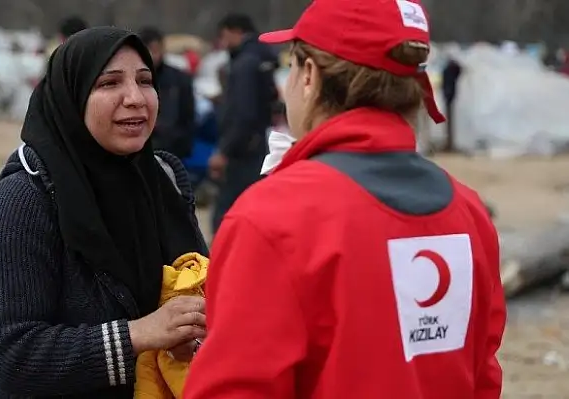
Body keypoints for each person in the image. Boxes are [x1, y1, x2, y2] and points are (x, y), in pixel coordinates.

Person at [184, 1, 506, 398]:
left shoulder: (272, 217)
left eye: (291, 66)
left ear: (309, 76)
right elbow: (483, 377)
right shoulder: (468, 211)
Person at [0, 27, 208, 399]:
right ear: (71, 97)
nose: (135, 98)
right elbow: (11, 361)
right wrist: (137, 335)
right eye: (109, 83)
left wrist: (189, 335)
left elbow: (193, 292)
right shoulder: (22, 201)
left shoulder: (163, 181)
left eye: (145, 80)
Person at [209, 13, 279, 233]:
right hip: (257, 143)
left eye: (224, 36)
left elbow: (243, 111)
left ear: (235, 31)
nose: (222, 43)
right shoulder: (262, 58)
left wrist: (224, 150)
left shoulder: (245, 64)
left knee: (226, 213)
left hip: (242, 149)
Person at [138, 26, 196, 159]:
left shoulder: (179, 78)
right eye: (147, 50)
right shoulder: (130, 80)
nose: (152, 55)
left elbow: (188, 116)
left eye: (155, 50)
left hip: (171, 149)